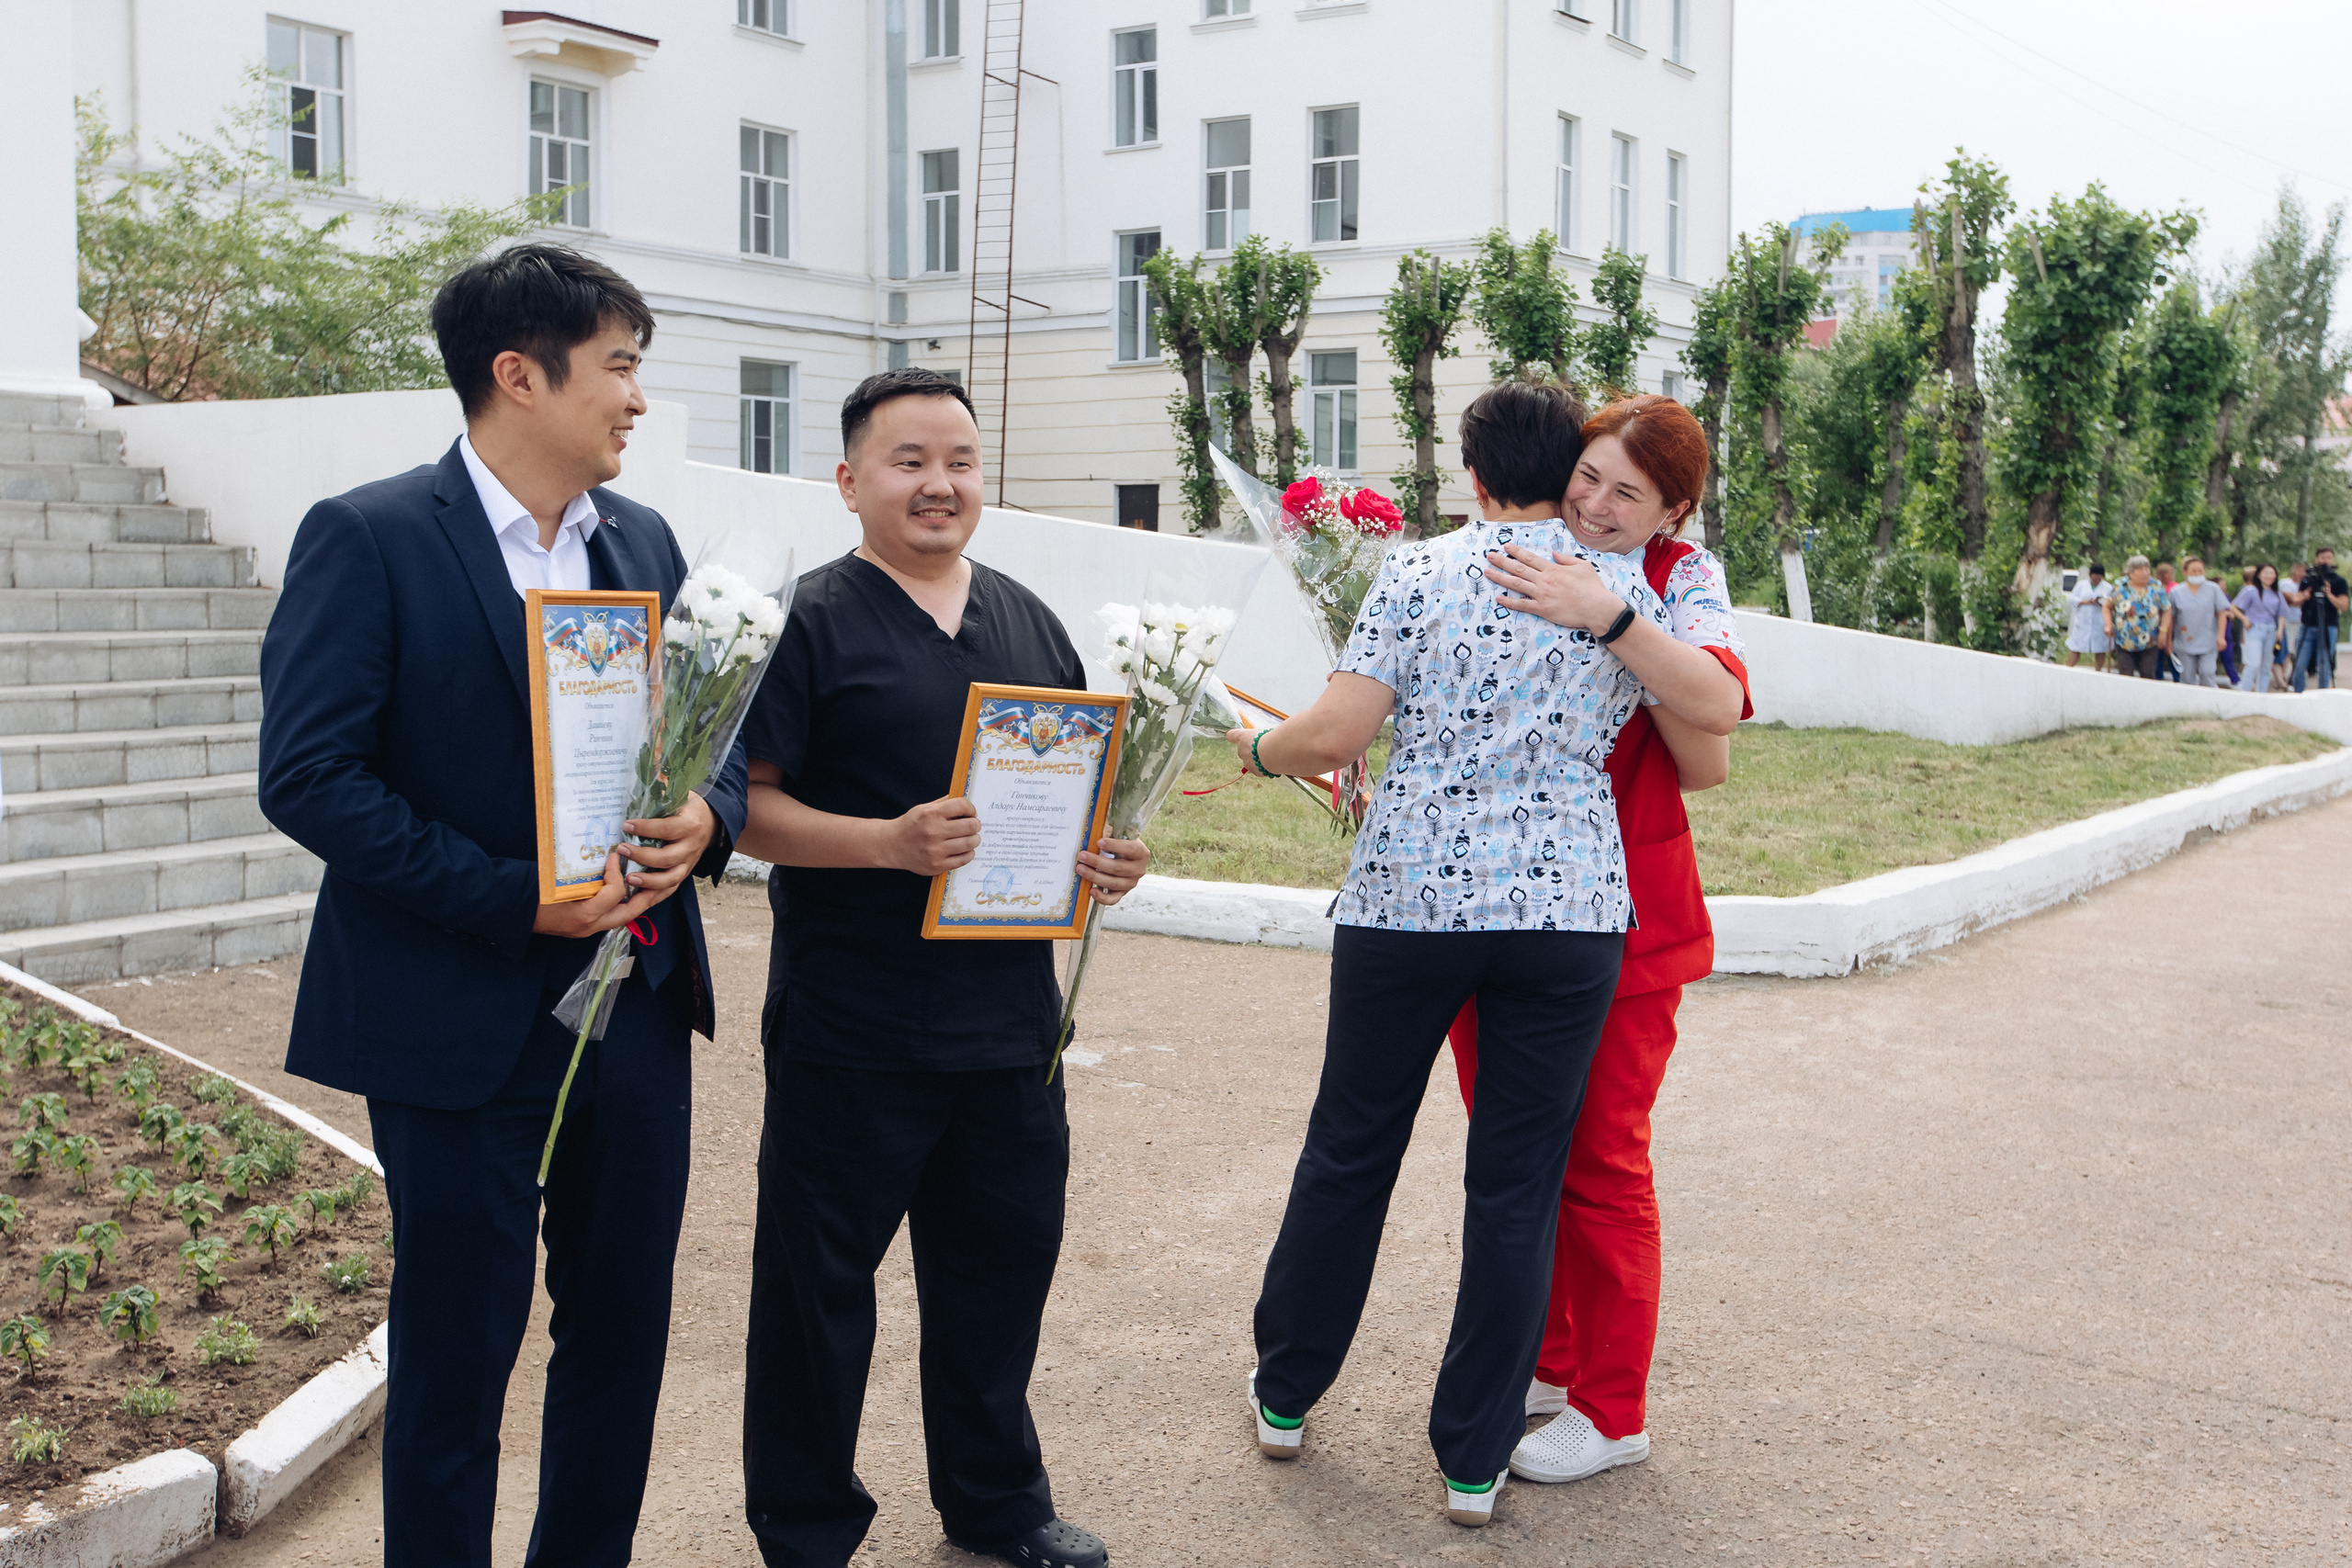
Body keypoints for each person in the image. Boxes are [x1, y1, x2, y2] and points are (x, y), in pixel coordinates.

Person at [256, 244, 747, 1567]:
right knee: (459, 1349)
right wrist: (512, 900)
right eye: (620, 368)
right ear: (518, 375)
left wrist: (709, 818)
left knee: (621, 1333)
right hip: (451, 1010)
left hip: (634, 1001)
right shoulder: (369, 536)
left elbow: (718, 738)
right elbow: (309, 776)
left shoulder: (642, 540)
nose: (636, 398)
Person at [1233, 380, 1669, 1529]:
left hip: (1410, 900)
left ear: (1471, 474)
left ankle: (1286, 1394)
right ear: (1564, 472)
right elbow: (1700, 729)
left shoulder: (1418, 573)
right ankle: (1474, 1460)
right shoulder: (1618, 593)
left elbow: (1336, 733)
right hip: (1568, 913)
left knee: (1350, 1147)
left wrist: (1257, 747)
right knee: (1517, 1185)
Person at [735, 368, 1148, 1568]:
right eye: (908, 460)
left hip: (1008, 1024)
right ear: (849, 479)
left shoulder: (1026, 620)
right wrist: (887, 844)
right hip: (851, 1024)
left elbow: (1075, 793)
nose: (939, 483)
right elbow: (744, 808)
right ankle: (806, 1524)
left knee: (996, 1278)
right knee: (817, 1291)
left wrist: (1107, 857)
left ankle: (998, 1502)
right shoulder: (808, 619)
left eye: (959, 460)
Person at [1442, 394, 1748, 1489]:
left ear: (1672, 513)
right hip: (1487, 898)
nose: (1598, 505)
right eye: (1589, 478)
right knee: (1515, 1147)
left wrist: (1608, 619)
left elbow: (1715, 719)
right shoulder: (1510, 549)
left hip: (1626, 915)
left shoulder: (1678, 579)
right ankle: (1554, 1356)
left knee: (1601, 1158)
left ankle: (1613, 1409)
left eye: (1630, 494)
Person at [2165, 556, 2230, 688]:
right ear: (2185, 572)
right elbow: (2170, 617)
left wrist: (2221, 636)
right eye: (2193, 571)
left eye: (2200, 571)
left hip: (2208, 640)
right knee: (2187, 677)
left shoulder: (2213, 589)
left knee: (2207, 673)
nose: (2197, 574)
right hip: (2184, 641)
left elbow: (2222, 613)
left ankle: (2211, 699)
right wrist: (2168, 640)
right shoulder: (2176, 592)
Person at [2292, 547, 2349, 692]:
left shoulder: (2339, 581)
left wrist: (2329, 594)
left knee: (2324, 664)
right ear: (2316, 559)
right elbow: (2295, 601)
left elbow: (2343, 605)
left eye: (2329, 557)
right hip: (2307, 625)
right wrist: (2304, 595)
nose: (2326, 561)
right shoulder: (2308, 579)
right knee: (2299, 663)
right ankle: (2298, 693)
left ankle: (2322, 694)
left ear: (2333, 559)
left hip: (2328, 626)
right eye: (2323, 557)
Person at [2105, 555, 2171, 680]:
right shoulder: (2120, 586)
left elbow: (2166, 609)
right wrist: (2108, 625)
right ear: (2131, 572)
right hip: (2124, 640)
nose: (2146, 573)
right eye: (2141, 570)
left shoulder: (2155, 586)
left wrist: (2164, 631)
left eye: (2147, 569)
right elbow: (2107, 607)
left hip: (2150, 640)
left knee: (2147, 675)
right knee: (2125, 675)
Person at [2233, 564, 2289, 694]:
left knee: (2266, 666)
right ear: (2258, 575)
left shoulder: (2277, 593)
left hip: (2271, 629)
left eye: (2272, 573)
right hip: (2254, 629)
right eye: (2266, 573)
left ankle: (2261, 694)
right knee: (2253, 663)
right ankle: (2244, 693)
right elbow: (2233, 607)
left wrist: (2280, 630)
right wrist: (2244, 619)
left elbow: (2282, 614)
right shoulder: (2250, 590)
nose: (2269, 576)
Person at [2064, 562, 2113, 671]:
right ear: (2090, 575)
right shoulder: (2081, 585)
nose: (2096, 579)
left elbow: (2111, 602)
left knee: (2100, 648)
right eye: (2094, 577)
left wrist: (2100, 602)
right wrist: (2086, 601)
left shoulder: (2107, 587)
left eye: (2099, 577)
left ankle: (2098, 670)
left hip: (2100, 621)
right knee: (2076, 646)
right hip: (2083, 621)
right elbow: (2072, 599)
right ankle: (2068, 668)